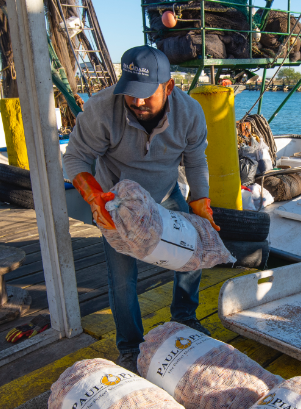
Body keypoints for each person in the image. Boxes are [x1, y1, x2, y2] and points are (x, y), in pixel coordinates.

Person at [62, 46, 220, 373]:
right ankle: (130, 347)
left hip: (164, 190)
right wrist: (93, 196)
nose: (137, 102)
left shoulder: (190, 113)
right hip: (116, 199)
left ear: (170, 87)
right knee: (122, 275)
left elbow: (196, 159)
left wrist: (199, 200)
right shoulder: (102, 110)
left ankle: (185, 317)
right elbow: (76, 158)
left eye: (147, 95)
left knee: (192, 252)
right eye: (131, 93)